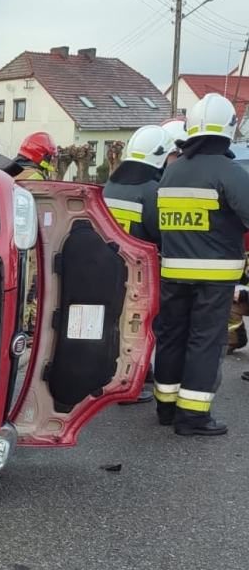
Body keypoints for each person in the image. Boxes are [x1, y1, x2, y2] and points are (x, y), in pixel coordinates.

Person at [149, 93, 249, 436]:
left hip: (173, 272)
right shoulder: (229, 172)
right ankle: (192, 417)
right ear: (229, 130)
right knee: (205, 341)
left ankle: (166, 407)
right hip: (214, 276)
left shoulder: (172, 172)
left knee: (172, 337)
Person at [104, 125, 173, 403]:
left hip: (109, 267)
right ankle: (133, 384)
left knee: (121, 327)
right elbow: (161, 234)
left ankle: (126, 377)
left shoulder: (111, 185)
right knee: (140, 328)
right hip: (141, 272)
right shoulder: (152, 191)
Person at [103, 124, 174, 245]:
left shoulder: (109, 187)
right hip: (141, 261)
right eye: (174, 155)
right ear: (161, 157)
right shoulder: (153, 192)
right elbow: (167, 239)